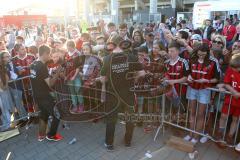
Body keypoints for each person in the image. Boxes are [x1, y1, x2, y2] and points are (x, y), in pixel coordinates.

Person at [100, 34, 146, 150]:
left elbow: (103, 78)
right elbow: (142, 73)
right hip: (128, 93)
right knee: (130, 118)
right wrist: (133, 79)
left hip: (113, 94)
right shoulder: (131, 57)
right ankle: (128, 141)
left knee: (111, 119)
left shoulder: (106, 59)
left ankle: (109, 143)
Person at [184, 43, 220, 144]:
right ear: (196, 52)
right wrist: (189, 76)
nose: (201, 56)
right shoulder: (192, 58)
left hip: (204, 90)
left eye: (203, 55)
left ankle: (196, 136)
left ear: (207, 53)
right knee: (192, 112)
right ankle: (191, 133)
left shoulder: (214, 61)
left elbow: (217, 78)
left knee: (200, 114)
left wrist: (206, 80)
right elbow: (186, 71)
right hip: (192, 88)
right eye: (199, 54)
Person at [30, 45, 63, 142]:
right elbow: (51, 83)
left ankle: (41, 135)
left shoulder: (33, 64)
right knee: (57, 114)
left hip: (37, 95)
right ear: (44, 54)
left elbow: (39, 79)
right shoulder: (42, 66)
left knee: (43, 115)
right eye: (49, 55)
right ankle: (51, 135)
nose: (50, 57)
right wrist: (58, 71)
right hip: (44, 96)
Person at [216, 53, 240, 147]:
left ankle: (230, 136)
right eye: (232, 67)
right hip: (229, 99)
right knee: (223, 116)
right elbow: (226, 83)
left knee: (235, 119)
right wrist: (233, 91)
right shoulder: (230, 69)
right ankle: (220, 133)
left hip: (239, 102)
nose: (233, 69)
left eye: (235, 68)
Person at [0, 51, 14, 131]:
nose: (9, 57)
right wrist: (4, 86)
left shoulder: (6, 66)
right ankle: (6, 126)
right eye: (6, 56)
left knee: (5, 107)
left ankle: (6, 125)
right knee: (3, 107)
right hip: (2, 90)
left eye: (9, 56)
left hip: (3, 90)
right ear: (2, 58)